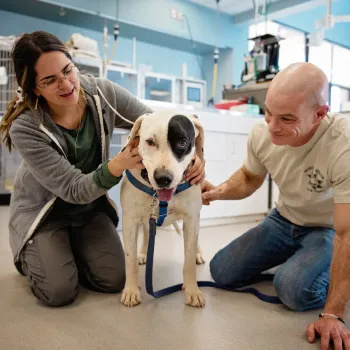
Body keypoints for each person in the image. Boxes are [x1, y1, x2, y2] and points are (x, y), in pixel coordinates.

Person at [0, 31, 205, 308]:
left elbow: (156, 123)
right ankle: (40, 251)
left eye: (67, 70)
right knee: (59, 291)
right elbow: (73, 188)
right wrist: (117, 166)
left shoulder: (102, 94)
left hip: (88, 210)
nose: (66, 84)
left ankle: (71, 250)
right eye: (50, 80)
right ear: (34, 88)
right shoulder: (26, 126)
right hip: (44, 213)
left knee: (113, 279)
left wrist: (194, 159)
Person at [201, 62, 350, 350]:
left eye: (286, 118)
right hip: (282, 220)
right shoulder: (262, 133)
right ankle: (304, 260)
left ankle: (326, 269)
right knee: (222, 271)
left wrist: (334, 313)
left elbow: (347, 233)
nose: (271, 127)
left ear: (319, 114)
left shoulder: (343, 145)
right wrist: (217, 192)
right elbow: (249, 177)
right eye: (268, 113)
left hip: (327, 228)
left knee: (293, 290)